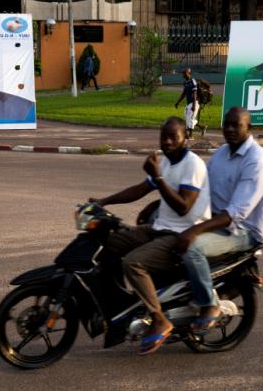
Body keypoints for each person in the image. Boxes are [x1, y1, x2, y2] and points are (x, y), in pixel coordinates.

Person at [89, 116, 210, 355]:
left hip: (181, 234)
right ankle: (121, 305)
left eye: (172, 137)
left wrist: (158, 177)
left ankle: (159, 318)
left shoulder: (192, 164)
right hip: (160, 227)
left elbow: (183, 207)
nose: (166, 142)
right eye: (163, 137)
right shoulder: (165, 163)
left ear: (185, 138)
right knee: (110, 241)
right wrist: (103, 201)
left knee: (132, 263)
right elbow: (140, 190)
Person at [177, 107, 263, 334]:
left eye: (236, 125)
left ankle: (208, 305)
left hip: (242, 231)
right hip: (216, 220)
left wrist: (195, 231)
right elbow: (203, 188)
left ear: (248, 128)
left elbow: (236, 213)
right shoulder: (222, 153)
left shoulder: (257, 162)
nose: (230, 129)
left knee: (192, 247)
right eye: (227, 124)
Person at [174, 68, 207, 139]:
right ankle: (202, 127)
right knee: (187, 119)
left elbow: (195, 94)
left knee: (190, 119)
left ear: (188, 73)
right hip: (188, 103)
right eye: (183, 73)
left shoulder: (193, 81)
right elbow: (184, 93)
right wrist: (177, 102)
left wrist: (194, 106)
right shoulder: (185, 82)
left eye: (184, 73)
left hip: (194, 103)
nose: (183, 75)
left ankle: (191, 135)